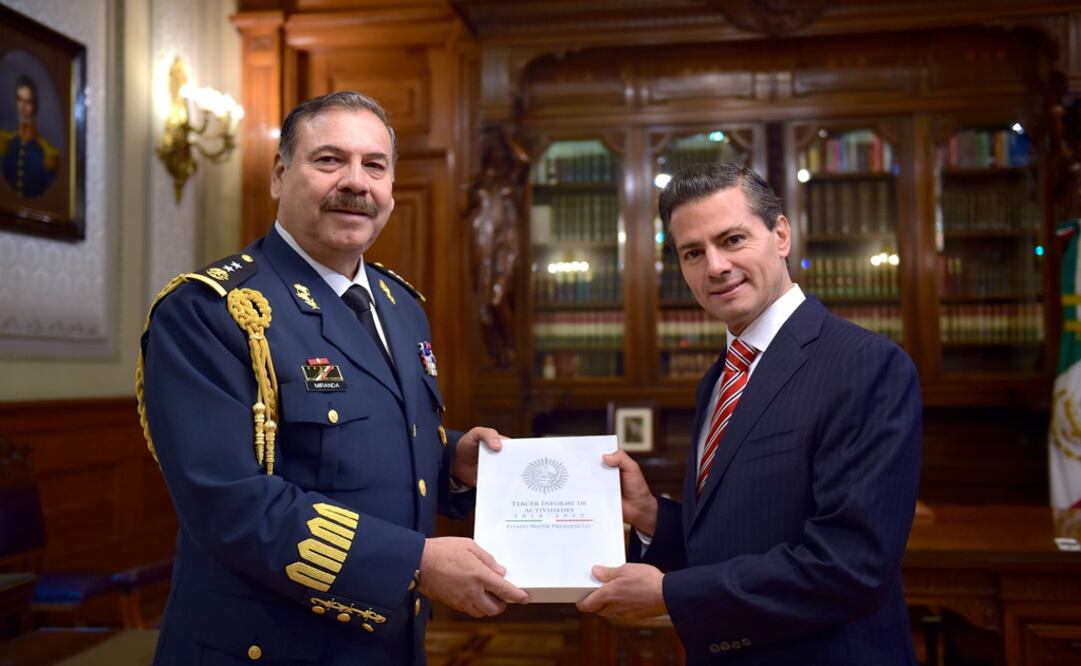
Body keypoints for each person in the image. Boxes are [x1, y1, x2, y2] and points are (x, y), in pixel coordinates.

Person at [137, 91, 528, 665]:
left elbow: (361, 447)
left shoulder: (400, 305)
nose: (356, 182)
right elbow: (230, 503)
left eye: (375, 165)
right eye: (329, 160)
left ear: (392, 188)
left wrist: (453, 462)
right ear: (279, 175)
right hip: (267, 644)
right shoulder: (211, 311)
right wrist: (414, 563)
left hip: (388, 641)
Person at [578, 162, 922, 664]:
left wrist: (671, 595)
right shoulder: (718, 378)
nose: (714, 266)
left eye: (733, 239)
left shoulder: (865, 365)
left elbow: (851, 566)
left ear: (780, 234)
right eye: (692, 252)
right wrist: (651, 514)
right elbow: (734, 537)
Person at [0, 74, 58, 198]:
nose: (22, 108)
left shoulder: (47, 154)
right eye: (19, 100)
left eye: (28, 102)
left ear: (34, 106)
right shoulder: (6, 144)